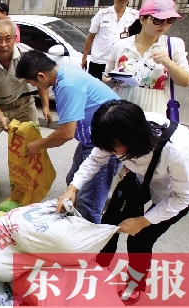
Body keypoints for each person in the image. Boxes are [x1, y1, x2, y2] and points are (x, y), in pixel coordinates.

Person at [56, 100, 189, 304]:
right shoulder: (116, 131)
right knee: (110, 223)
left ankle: (135, 286)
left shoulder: (177, 151)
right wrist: (72, 188)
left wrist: (144, 220)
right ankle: (99, 269)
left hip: (177, 192)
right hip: (140, 177)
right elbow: (95, 159)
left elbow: (184, 197)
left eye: (114, 149)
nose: (110, 153)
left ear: (131, 140)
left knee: (139, 239)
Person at [15, 49, 120, 224]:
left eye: (30, 82)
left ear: (41, 76)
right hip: (90, 141)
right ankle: (76, 222)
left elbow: (66, 133)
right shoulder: (64, 76)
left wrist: (38, 144)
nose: (33, 86)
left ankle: (89, 241)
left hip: (106, 145)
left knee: (89, 201)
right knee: (72, 181)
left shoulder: (67, 85)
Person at [0, 19, 51, 176]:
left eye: (8, 39)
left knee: (30, 142)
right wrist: (0, 117)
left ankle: (27, 178)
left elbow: (41, 81)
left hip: (23, 105)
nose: (3, 44)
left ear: (15, 39)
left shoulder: (26, 56)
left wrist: (45, 107)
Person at [103, 0, 189, 117]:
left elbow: (186, 81)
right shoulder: (121, 45)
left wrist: (168, 63)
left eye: (170, 20)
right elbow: (106, 76)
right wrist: (111, 81)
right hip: (121, 114)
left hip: (154, 116)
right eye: (157, 20)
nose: (164, 25)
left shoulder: (172, 45)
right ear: (142, 19)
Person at [81, 0, 139, 80]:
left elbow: (137, 39)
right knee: (94, 89)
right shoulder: (102, 14)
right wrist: (84, 58)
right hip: (99, 60)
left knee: (114, 90)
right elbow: (91, 37)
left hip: (120, 62)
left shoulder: (135, 15)